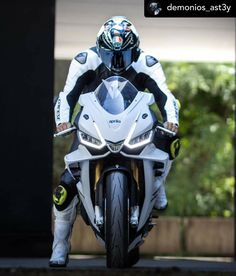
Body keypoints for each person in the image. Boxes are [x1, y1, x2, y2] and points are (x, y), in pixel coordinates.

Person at [49, 16, 179, 267]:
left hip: (136, 124)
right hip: (93, 124)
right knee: (65, 187)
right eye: (111, 54)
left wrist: (171, 120)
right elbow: (67, 95)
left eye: (125, 54)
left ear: (136, 49)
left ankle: (158, 181)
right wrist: (62, 120)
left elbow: (165, 96)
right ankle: (60, 246)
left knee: (170, 139)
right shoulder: (84, 60)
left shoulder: (148, 63)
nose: (117, 61)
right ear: (100, 47)